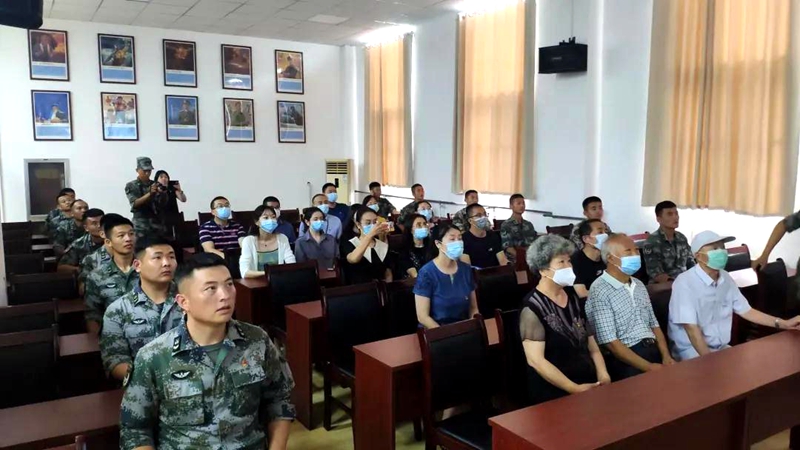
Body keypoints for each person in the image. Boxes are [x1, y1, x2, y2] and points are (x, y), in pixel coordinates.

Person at [119, 253, 295, 450]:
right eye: (211, 288)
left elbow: (279, 400)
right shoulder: (154, 356)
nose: (225, 295)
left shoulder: (257, 341)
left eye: (229, 284)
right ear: (183, 302)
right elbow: (135, 430)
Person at [669, 231, 800, 361]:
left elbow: (747, 311)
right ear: (698, 256)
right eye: (714, 248)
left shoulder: (725, 277)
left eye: (722, 247)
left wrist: (784, 323)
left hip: (720, 348)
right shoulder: (684, 283)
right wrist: (709, 362)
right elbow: (691, 329)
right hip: (691, 351)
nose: (721, 252)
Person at [520, 234, 610, 405]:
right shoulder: (532, 308)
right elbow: (536, 361)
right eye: (561, 262)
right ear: (543, 270)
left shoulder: (573, 297)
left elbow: (592, 345)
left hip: (587, 379)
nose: (568, 266)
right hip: (555, 389)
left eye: (568, 261)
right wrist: (573, 388)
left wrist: (603, 374)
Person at [586, 234, 674, 380]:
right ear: (611, 258)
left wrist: (666, 356)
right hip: (627, 358)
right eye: (628, 251)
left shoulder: (638, 284)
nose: (635, 255)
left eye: (636, 250)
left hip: (653, 349)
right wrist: (649, 367)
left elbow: (654, 324)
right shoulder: (600, 289)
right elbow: (610, 342)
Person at [100, 236, 183, 382]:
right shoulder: (118, 310)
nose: (166, 263)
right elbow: (115, 361)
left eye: (171, 257)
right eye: (157, 258)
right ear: (137, 265)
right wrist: (151, 381)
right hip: (142, 386)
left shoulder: (190, 301)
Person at [84, 214, 139, 335]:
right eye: (121, 235)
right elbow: (92, 314)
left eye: (131, 234)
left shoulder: (148, 269)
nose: (128, 239)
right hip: (114, 337)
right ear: (108, 242)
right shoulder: (97, 276)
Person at [414, 224, 478, 327]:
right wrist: (445, 333)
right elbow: (423, 317)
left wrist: (472, 327)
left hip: (464, 328)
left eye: (460, 239)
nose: (457, 242)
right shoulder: (426, 273)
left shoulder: (465, 269)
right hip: (436, 330)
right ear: (438, 244)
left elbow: (473, 308)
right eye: (452, 239)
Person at [643, 200, 694, 283]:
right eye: (670, 214)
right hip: (664, 285)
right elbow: (657, 275)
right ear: (659, 219)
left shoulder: (681, 238)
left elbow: (691, 263)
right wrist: (681, 284)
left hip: (685, 282)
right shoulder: (652, 242)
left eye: (676, 213)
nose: (675, 217)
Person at [340, 206, 394, 284]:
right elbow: (353, 259)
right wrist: (370, 235)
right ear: (358, 225)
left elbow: (388, 271)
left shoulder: (382, 245)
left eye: (375, 222)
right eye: (368, 223)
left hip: (381, 287)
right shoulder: (350, 243)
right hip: (358, 288)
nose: (373, 226)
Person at [239, 205, 296, 278]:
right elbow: (244, 272)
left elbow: (292, 265)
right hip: (257, 282)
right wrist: (268, 273)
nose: (271, 220)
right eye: (266, 218)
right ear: (257, 222)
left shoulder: (282, 238)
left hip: (279, 280)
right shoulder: (248, 241)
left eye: (273, 217)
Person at [125, 156, 166, 239]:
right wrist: (150, 194)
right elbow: (134, 203)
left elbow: (162, 203)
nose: (147, 173)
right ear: (137, 170)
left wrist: (163, 194)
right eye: (144, 171)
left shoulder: (155, 184)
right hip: (140, 225)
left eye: (149, 171)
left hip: (156, 223)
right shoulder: (131, 185)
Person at [58, 208, 104, 275]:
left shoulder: (114, 241)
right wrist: (83, 270)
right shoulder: (79, 244)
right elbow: (61, 268)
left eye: (102, 223)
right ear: (86, 228)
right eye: (94, 223)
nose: (99, 226)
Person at [461, 203, 508, 268]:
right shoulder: (463, 239)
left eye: (485, 214)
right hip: (476, 274)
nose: (483, 217)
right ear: (470, 220)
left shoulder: (493, 236)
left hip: (496, 273)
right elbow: (467, 267)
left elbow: (502, 260)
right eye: (479, 215)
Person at [570, 219, 608, 298]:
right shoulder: (575, 261)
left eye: (606, 231)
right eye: (600, 232)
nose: (605, 235)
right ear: (586, 239)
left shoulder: (607, 257)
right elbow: (582, 293)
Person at [500, 193, 537, 264]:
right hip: (516, 260)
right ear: (511, 206)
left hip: (531, 258)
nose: (522, 206)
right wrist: (522, 258)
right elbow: (508, 248)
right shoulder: (506, 225)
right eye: (518, 203)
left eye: (523, 203)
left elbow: (535, 242)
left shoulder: (528, 224)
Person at [398, 214, 437, 278]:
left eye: (425, 224)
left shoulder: (433, 246)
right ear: (411, 229)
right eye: (419, 225)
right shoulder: (405, 250)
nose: (423, 227)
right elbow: (413, 274)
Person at [152, 170, 186, 237]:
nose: (164, 179)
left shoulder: (172, 188)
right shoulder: (154, 190)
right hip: (161, 219)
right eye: (161, 177)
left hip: (174, 216)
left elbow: (183, 199)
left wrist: (179, 190)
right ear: (157, 180)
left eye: (166, 177)